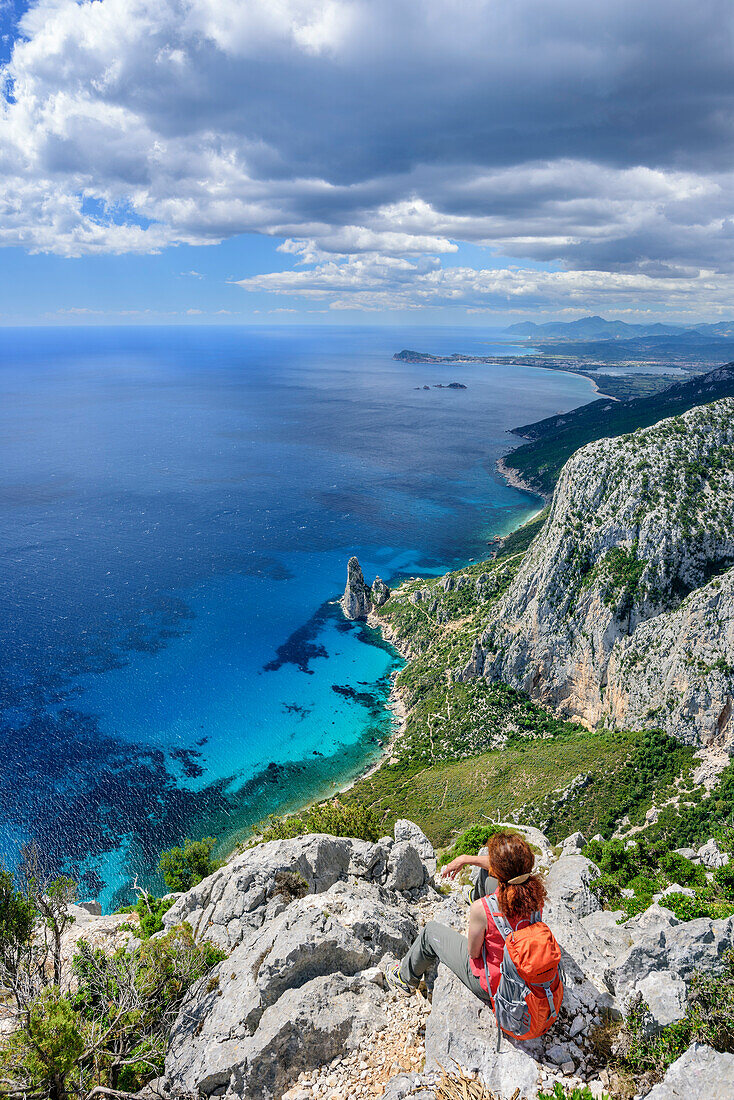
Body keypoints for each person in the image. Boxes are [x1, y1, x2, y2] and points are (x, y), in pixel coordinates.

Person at [386, 830, 546, 1005]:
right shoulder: (534, 893)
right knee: (485, 873)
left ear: (500, 871)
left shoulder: (481, 909)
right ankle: (475, 895)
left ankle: (404, 979)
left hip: (496, 984)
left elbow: (473, 953)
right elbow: (498, 867)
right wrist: (464, 858)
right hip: (527, 973)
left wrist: (481, 926)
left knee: (429, 932)